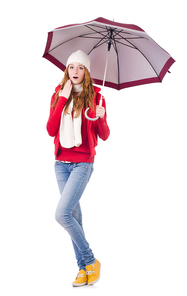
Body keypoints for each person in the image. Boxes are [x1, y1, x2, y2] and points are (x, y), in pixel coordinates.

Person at [46, 50, 110, 287]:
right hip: (61, 164)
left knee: (61, 214)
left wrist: (101, 118)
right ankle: (84, 269)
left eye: (80, 68)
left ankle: (91, 260)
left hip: (83, 163)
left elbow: (104, 135)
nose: (75, 72)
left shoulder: (96, 98)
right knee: (74, 216)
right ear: (67, 70)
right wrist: (62, 99)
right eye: (71, 67)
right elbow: (51, 129)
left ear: (87, 72)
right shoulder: (57, 94)